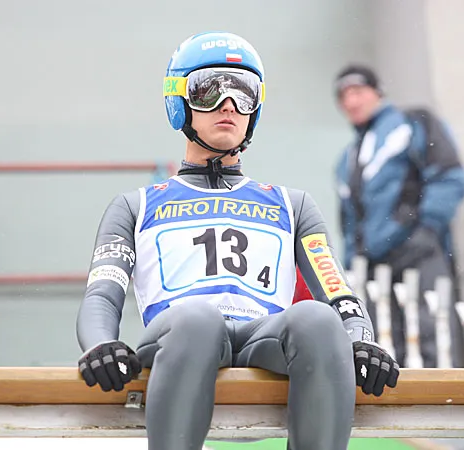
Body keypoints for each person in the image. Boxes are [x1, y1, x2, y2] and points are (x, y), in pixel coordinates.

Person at [75, 32, 399, 450]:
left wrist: (360, 340)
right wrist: (101, 344)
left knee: (317, 319)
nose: (228, 104)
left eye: (244, 93)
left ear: (255, 110)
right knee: (198, 319)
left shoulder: (293, 205)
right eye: (208, 90)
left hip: (263, 339)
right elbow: (102, 295)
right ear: (179, 102)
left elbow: (338, 294)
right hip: (181, 337)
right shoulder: (135, 205)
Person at [333, 64, 464, 368]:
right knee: (387, 348)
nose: (351, 102)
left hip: (419, 254)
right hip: (373, 268)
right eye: (343, 96)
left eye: (357, 91)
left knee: (435, 336)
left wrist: (425, 231)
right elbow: (349, 222)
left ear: (377, 92)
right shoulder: (347, 159)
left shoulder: (413, 123)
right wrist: (350, 270)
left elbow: (449, 177)